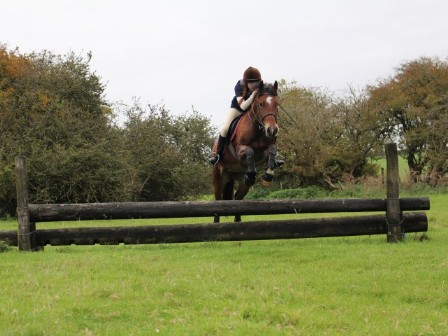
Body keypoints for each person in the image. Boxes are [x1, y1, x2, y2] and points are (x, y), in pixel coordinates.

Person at [208, 66, 262, 165]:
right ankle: (217, 154)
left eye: (257, 83)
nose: (255, 85)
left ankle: (274, 155)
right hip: (237, 109)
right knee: (225, 128)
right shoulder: (239, 86)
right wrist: (253, 95)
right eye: (253, 83)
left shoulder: (260, 86)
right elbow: (243, 106)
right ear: (246, 82)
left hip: (252, 111)